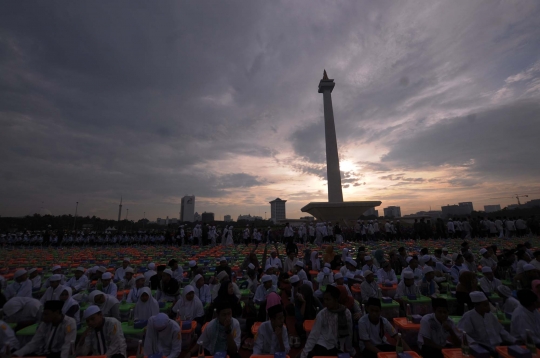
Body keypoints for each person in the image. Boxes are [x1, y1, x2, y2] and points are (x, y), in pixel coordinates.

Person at [300, 285, 353, 358]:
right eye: (324, 299)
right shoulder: (322, 314)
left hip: (338, 346)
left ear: (336, 299)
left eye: (328, 299)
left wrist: (350, 350)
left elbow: (349, 333)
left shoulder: (346, 313)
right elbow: (314, 334)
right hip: (322, 344)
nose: (325, 302)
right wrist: (304, 354)